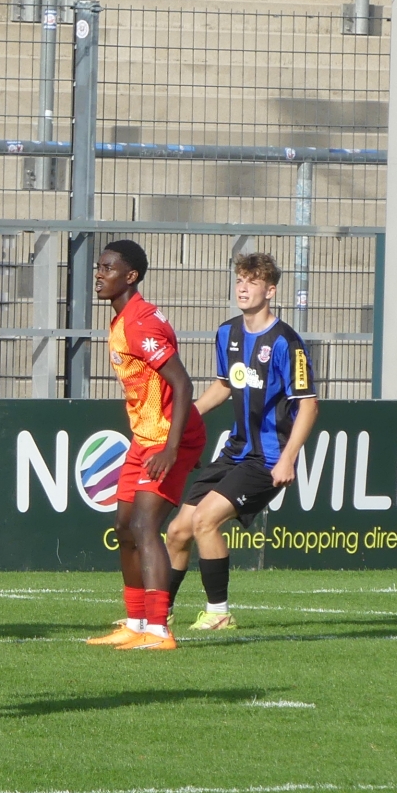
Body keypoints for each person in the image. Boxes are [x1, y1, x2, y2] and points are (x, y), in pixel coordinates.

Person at [165, 252, 318, 632]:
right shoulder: (227, 333)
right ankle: (158, 614)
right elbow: (224, 384)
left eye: (252, 282)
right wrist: (186, 419)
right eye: (239, 281)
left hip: (267, 458)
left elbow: (309, 405)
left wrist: (288, 458)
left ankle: (219, 613)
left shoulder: (286, 342)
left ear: (271, 290)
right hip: (235, 451)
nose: (243, 288)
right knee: (178, 531)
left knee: (204, 520)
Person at [85, 240, 206, 652]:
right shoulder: (124, 318)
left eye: (108, 268)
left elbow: (183, 383)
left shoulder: (139, 323)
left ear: (131, 276)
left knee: (143, 526)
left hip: (170, 438)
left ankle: (159, 629)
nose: (99, 274)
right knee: (124, 527)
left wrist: (172, 449)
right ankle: (136, 622)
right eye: (99, 266)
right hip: (146, 437)